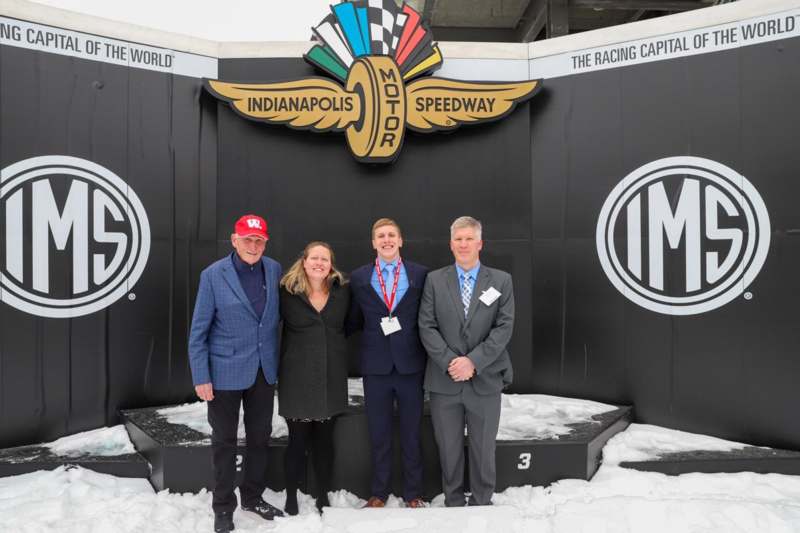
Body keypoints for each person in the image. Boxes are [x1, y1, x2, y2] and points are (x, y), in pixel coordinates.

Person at [188, 214, 284, 533]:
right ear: (234, 240)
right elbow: (198, 331)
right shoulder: (213, 275)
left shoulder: (273, 269)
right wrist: (201, 375)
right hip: (224, 372)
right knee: (224, 442)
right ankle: (223, 508)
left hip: (262, 370)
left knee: (260, 438)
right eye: (247, 240)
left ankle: (253, 496)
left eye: (259, 241)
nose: (253, 246)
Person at [418, 216, 515, 507]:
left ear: (480, 243)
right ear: (451, 244)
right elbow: (426, 325)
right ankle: (454, 502)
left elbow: (504, 327)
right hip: (444, 380)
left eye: (469, 239)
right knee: (448, 449)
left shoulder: (501, 280)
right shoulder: (435, 280)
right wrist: (452, 361)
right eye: (458, 239)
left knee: (483, 448)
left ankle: (483, 501)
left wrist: (473, 361)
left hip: (485, 379)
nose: (463, 244)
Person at [347, 218, 429, 508]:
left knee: (411, 432)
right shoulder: (358, 277)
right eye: (380, 236)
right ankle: (378, 493)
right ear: (373, 243)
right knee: (378, 433)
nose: (386, 240)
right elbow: (354, 320)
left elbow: (426, 317)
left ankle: (413, 493)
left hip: (410, 366)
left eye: (391, 235)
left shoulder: (420, 274)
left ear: (401, 240)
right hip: (376, 367)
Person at [278, 241, 351, 515]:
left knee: (324, 441)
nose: (319, 263)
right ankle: (291, 496)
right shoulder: (287, 291)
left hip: (330, 374)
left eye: (325, 259)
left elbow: (351, 324)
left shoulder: (342, 291)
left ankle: (322, 495)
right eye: (314, 258)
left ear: (330, 264)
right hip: (296, 375)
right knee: (296, 441)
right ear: (304, 261)